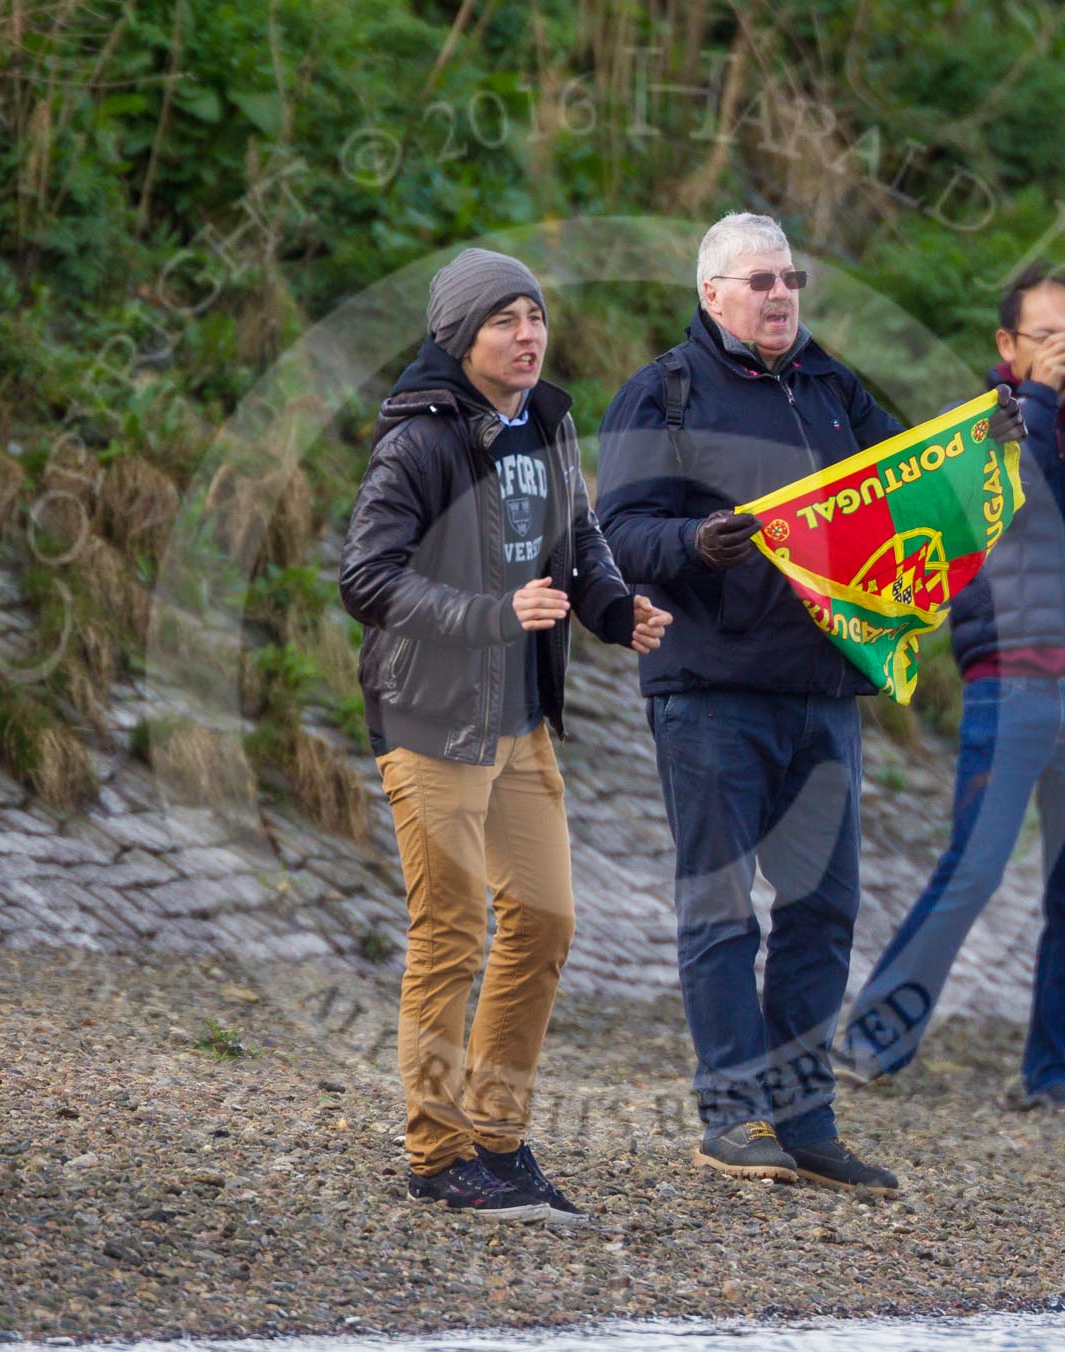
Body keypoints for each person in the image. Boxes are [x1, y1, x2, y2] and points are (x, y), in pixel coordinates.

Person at [595, 212, 1014, 1195]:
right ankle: (732, 1113)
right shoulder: (661, 392)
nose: (780, 295)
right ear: (713, 295)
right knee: (721, 906)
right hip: (710, 690)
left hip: (827, 687)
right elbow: (618, 531)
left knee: (823, 910)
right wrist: (701, 542)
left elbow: (914, 490)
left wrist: (987, 442)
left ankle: (806, 1118)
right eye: (758, 281)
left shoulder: (834, 388)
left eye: (790, 279)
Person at [341, 249, 671, 1223]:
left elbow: (579, 542)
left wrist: (614, 610)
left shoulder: (550, 421)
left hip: (519, 721)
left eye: (534, 317)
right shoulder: (418, 441)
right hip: (430, 720)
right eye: (504, 321)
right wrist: (492, 612)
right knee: (450, 932)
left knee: (546, 920)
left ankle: (499, 1136)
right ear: (460, 337)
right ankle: (438, 1155)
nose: (527, 336)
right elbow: (364, 577)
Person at [838, 263, 1065, 1112]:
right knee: (975, 868)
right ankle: (871, 1042)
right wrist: (1039, 399)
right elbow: (996, 500)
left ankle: (1057, 1075)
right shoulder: (978, 426)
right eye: (1050, 337)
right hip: (1011, 681)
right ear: (1006, 344)